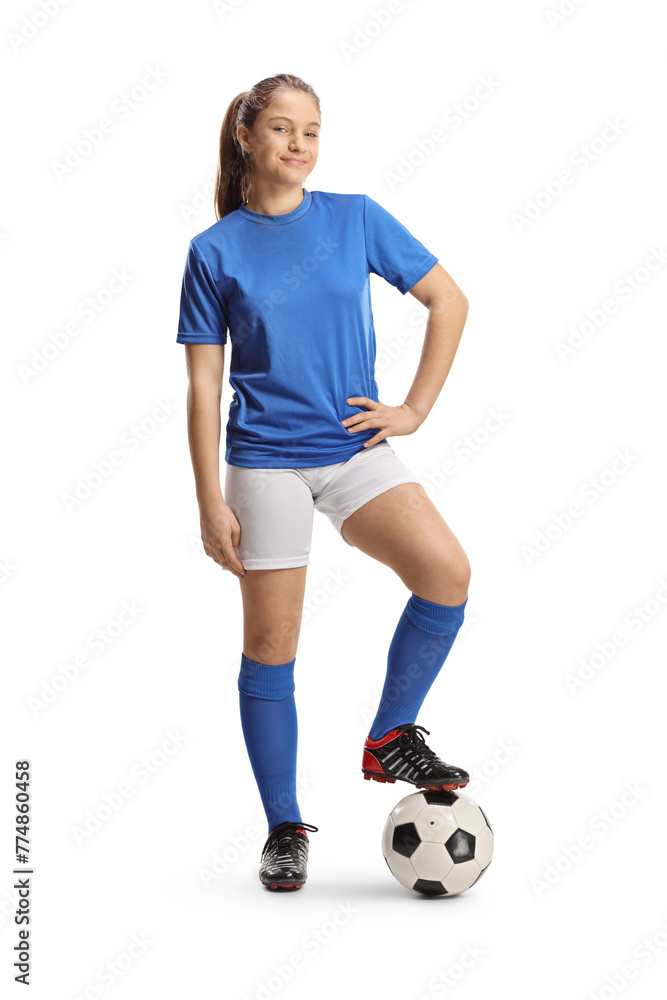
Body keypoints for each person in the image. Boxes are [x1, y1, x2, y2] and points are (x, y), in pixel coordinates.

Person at [176, 73, 471, 892]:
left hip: (351, 448)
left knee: (445, 575)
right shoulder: (214, 251)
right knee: (272, 646)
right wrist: (209, 500)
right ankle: (282, 826)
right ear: (246, 138)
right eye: (281, 128)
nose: (299, 144)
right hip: (264, 459)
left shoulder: (354, 218)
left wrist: (411, 408)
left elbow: (447, 300)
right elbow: (205, 385)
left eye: (311, 130)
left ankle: (387, 738)